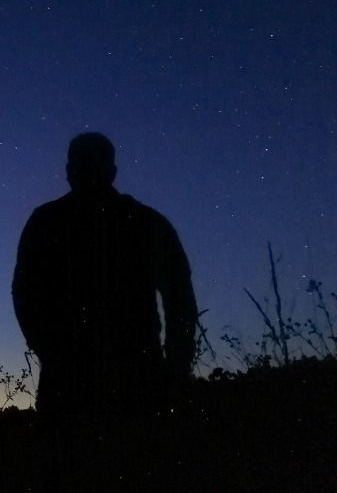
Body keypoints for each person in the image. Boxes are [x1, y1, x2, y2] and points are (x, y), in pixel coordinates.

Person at [12, 132, 198, 415]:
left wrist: (175, 371)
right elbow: (25, 294)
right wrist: (175, 371)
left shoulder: (47, 222)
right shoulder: (145, 221)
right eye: (79, 163)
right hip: (114, 378)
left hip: (105, 379)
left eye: (89, 163)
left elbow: (180, 301)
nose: (84, 171)